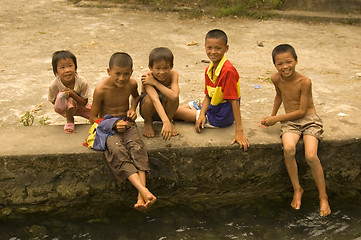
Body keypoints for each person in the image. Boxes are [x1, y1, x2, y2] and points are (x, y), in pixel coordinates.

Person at [261, 44, 331, 216]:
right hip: (290, 122)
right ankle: (297, 189)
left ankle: (323, 197)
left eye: (289, 62)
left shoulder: (304, 82)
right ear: (275, 65)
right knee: (289, 149)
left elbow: (301, 111)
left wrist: (275, 119)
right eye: (280, 64)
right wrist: (270, 117)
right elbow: (279, 96)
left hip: (309, 120)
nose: (285, 67)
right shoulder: (275, 78)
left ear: (296, 61)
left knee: (311, 156)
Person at [89, 52, 156, 210]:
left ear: (131, 73)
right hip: (108, 127)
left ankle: (141, 196)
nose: (121, 78)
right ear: (108, 71)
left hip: (127, 123)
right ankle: (143, 191)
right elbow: (92, 117)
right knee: (118, 150)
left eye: (126, 74)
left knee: (136, 148)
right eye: (117, 74)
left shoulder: (131, 84)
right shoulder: (101, 89)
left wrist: (132, 109)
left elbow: (136, 97)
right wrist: (112, 124)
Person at [174, 29, 249, 151]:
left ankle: (194, 116)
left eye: (218, 48)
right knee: (178, 108)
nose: (213, 52)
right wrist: (202, 113)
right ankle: (197, 114)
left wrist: (239, 131)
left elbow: (234, 101)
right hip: (212, 104)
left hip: (220, 116)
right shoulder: (209, 69)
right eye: (209, 48)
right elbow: (208, 95)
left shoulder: (228, 71)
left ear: (226, 48)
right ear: (205, 47)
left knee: (173, 112)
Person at [140, 47, 180, 140]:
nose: (161, 72)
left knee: (173, 96)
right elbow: (155, 100)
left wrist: (155, 83)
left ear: (171, 66)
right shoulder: (147, 77)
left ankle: (170, 121)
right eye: (157, 68)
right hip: (149, 110)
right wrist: (164, 121)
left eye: (166, 68)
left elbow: (174, 96)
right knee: (149, 99)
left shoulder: (173, 75)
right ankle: (148, 123)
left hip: (166, 109)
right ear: (150, 67)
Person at [48, 50, 92, 133]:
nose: (67, 70)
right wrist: (65, 101)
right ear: (56, 71)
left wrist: (72, 94)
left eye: (70, 66)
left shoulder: (82, 82)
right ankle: (70, 121)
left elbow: (84, 103)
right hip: (63, 107)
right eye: (62, 67)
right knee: (65, 96)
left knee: (99, 116)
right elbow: (53, 101)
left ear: (75, 67)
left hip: (81, 106)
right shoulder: (54, 85)